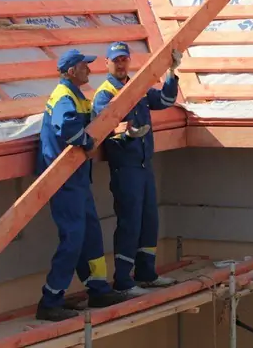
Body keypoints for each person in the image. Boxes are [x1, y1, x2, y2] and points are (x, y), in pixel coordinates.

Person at [35, 48, 129, 323]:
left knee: (90, 233)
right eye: (84, 66)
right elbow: (68, 129)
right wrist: (88, 141)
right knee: (73, 237)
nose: (89, 69)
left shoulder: (77, 96)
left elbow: (87, 122)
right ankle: (50, 300)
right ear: (71, 71)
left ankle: (98, 289)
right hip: (63, 178)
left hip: (76, 177)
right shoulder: (64, 96)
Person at [93, 42, 182, 297]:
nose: (120, 64)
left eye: (124, 59)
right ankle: (123, 280)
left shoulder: (138, 87)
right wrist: (126, 133)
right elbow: (103, 128)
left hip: (144, 165)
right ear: (107, 64)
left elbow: (165, 100)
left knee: (148, 221)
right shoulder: (105, 93)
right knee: (129, 222)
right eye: (116, 60)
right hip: (125, 167)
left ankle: (146, 273)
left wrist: (171, 73)